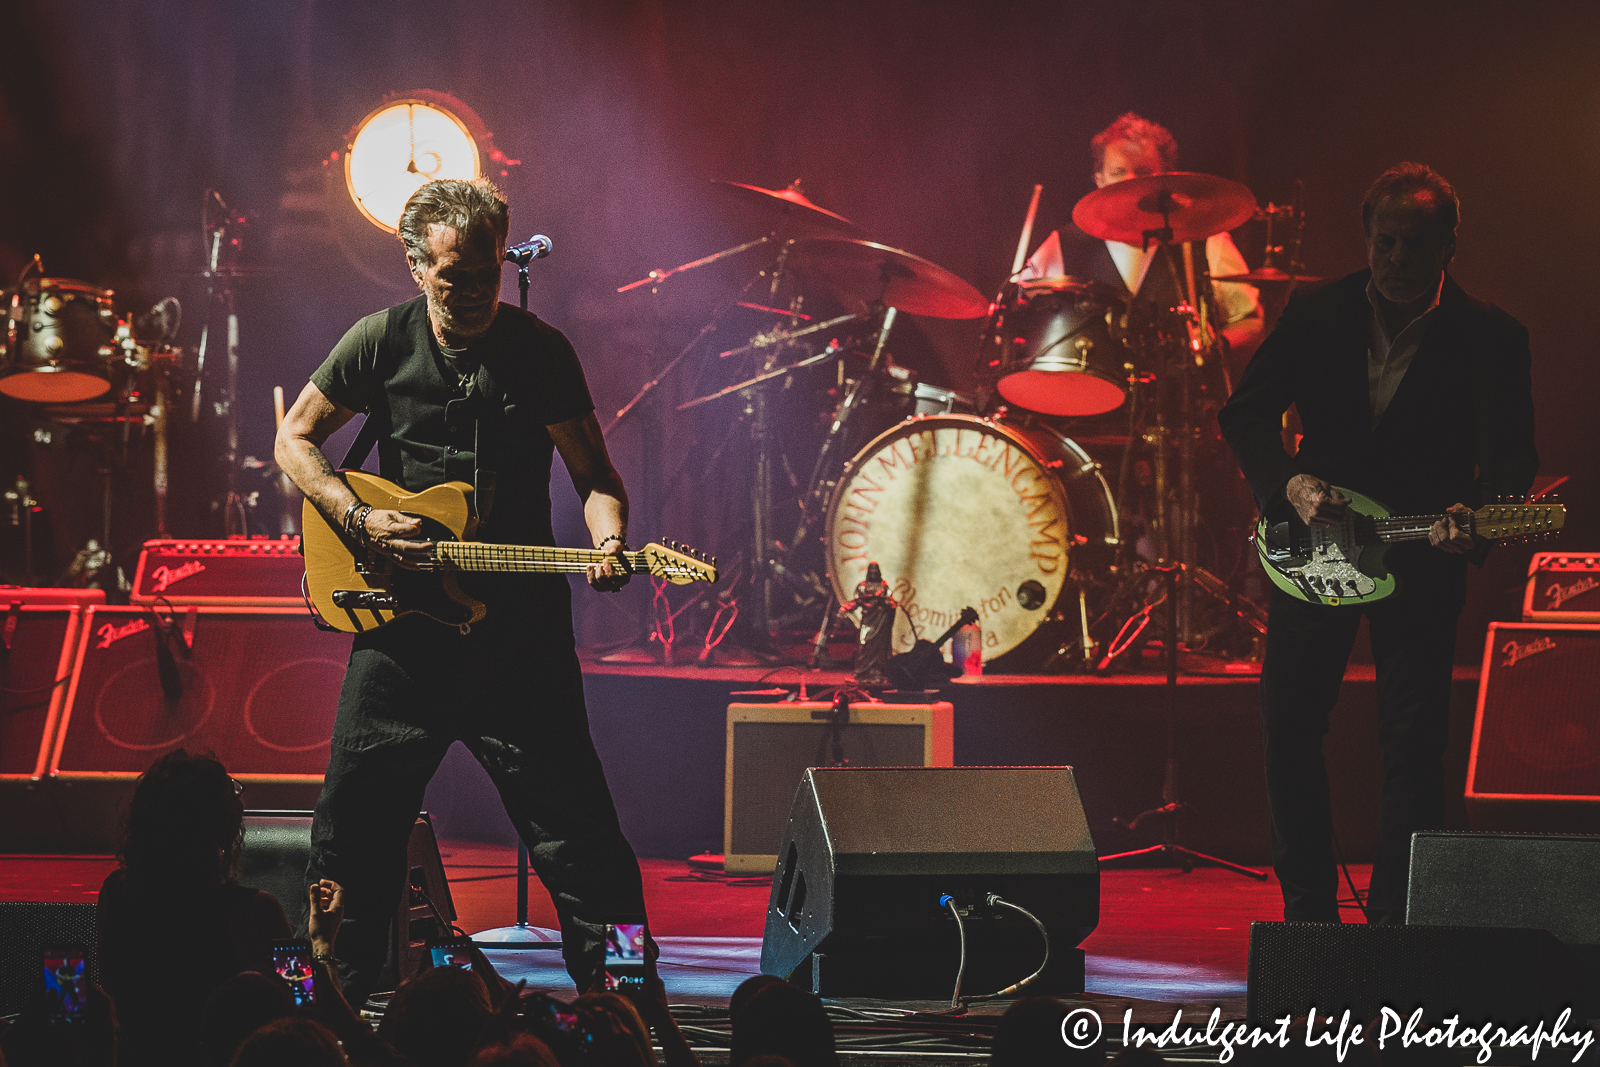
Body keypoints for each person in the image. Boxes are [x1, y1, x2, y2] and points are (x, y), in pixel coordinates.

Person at [275, 177, 652, 999]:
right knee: (346, 838)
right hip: (403, 639)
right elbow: (295, 439)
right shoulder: (379, 340)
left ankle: (631, 997)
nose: (476, 290)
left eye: (485, 271)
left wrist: (611, 541)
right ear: (415, 267)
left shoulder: (542, 351)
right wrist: (357, 519)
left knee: (587, 848)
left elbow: (597, 478)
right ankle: (321, 1008)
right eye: (454, 276)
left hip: (519, 644)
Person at [1217, 163, 1538, 924]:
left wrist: (1482, 520)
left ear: (1449, 245)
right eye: (1385, 242)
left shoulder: (1493, 336)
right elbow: (1247, 415)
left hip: (1421, 555)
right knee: (1290, 724)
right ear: (1366, 237)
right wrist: (1287, 484)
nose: (1396, 259)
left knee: (1413, 745)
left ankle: (1396, 919)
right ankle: (1308, 914)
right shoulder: (1317, 311)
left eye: (1415, 244)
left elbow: (1514, 465)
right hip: (1313, 547)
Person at [97, 749, 294, 1067]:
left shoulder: (116, 892)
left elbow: (112, 991)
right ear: (226, 827)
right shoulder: (259, 911)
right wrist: (322, 943)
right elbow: (305, 1003)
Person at [1022, 111, 1264, 368]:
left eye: (1143, 172)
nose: (1130, 183)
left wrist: (1217, 345)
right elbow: (1018, 310)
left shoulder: (1204, 240)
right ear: (1099, 180)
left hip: (1178, 402)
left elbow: (1251, 321)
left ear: (1167, 178)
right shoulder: (1066, 244)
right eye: (1118, 172)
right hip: (1085, 400)